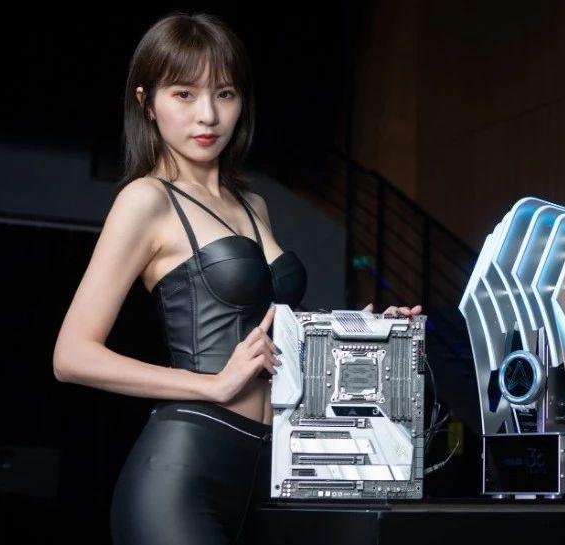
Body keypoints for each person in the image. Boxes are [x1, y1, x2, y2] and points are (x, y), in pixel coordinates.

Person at [51, 13, 418, 544]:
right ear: (146, 103)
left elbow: (267, 327)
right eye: (183, 94)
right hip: (183, 473)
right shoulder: (146, 200)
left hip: (273, 470)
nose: (208, 115)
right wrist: (211, 385)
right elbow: (71, 356)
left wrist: (357, 330)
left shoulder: (253, 204)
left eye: (224, 94)